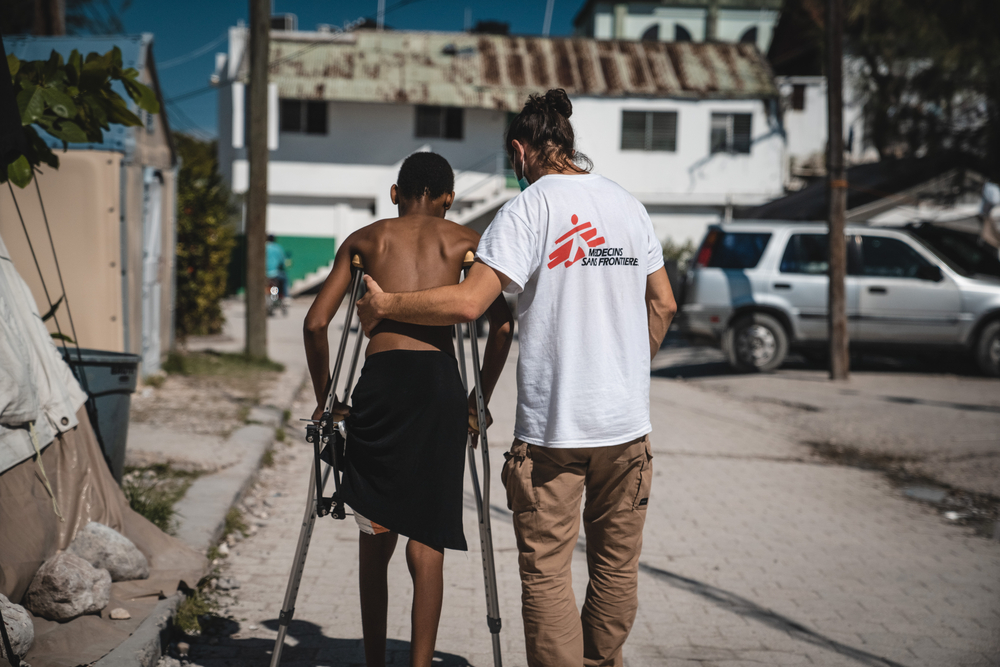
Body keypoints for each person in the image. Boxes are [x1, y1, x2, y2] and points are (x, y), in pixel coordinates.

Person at [357, 89, 677, 667]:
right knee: (614, 567)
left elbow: (470, 305)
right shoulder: (628, 206)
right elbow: (664, 304)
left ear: (519, 151)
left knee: (549, 573)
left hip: (555, 432)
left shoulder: (527, 210)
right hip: (627, 428)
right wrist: (626, 368)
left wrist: (388, 306)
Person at [303, 151, 513, 667]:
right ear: (449, 199)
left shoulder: (366, 240)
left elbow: (314, 324)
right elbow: (503, 327)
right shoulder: (466, 240)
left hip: (382, 388)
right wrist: (478, 399)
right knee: (428, 537)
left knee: (375, 534)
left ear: (395, 193)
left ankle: (375, 661)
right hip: (441, 388)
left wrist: (327, 400)